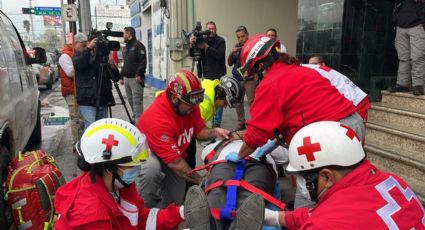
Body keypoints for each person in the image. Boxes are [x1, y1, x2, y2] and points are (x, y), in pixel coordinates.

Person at [262, 121, 425, 229]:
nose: (301, 184)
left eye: (304, 177)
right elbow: (326, 213)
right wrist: (274, 217)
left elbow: (329, 219)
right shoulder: (393, 182)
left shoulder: (325, 225)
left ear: (327, 177)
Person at [228, 34, 364, 161]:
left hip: (331, 136)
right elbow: (296, 115)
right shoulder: (302, 70)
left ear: (261, 65)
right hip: (353, 125)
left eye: (255, 71)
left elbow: (258, 131)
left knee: (311, 181)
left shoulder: (269, 85)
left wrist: (240, 156)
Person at [54, 118, 184, 229]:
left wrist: (180, 213)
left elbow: (142, 219)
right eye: (131, 166)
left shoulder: (118, 187)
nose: (137, 169)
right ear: (108, 169)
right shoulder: (92, 216)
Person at [136, 70, 230, 208]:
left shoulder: (190, 104)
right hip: (150, 154)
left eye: (198, 99)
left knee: (176, 200)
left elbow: (199, 132)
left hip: (172, 154)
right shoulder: (158, 120)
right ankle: (145, 211)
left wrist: (215, 132)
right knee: (151, 170)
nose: (195, 107)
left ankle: (166, 215)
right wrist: (203, 181)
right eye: (192, 103)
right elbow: (177, 163)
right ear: (175, 99)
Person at [305, 55, 370, 123]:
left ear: (323, 64)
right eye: (310, 65)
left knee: (356, 131)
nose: (312, 67)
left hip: (358, 103)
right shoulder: (324, 73)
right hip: (349, 103)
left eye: (314, 64)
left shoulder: (323, 73)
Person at [73, 35, 114, 130]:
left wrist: (112, 67)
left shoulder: (102, 58)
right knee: (91, 129)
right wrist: (88, 49)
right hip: (87, 100)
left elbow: (114, 77)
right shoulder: (80, 54)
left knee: (103, 129)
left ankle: (100, 146)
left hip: (103, 99)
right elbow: (79, 64)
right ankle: (86, 145)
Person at [189, 21, 226, 128]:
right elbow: (193, 55)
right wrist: (192, 45)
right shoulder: (202, 40)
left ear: (216, 29)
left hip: (217, 74)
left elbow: (219, 55)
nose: (211, 31)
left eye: (213, 29)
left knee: (218, 97)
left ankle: (217, 122)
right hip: (205, 74)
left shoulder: (220, 41)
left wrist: (206, 47)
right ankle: (208, 118)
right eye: (209, 29)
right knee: (207, 97)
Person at [389, 0, 425, 96]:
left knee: (417, 57)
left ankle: (418, 85)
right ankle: (402, 84)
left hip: (417, 25)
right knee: (403, 58)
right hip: (401, 26)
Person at [58, 33, 85, 146]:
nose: (83, 48)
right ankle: (76, 143)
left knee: (80, 118)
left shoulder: (75, 54)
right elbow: (70, 73)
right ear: (75, 43)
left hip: (77, 90)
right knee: (76, 119)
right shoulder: (65, 56)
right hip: (70, 91)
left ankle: (81, 141)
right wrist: (81, 67)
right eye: (82, 46)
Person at [227, 26, 254, 131]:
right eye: (238, 37)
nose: (241, 39)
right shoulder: (236, 47)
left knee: (252, 102)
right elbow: (229, 63)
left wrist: (256, 75)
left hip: (250, 78)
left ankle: (254, 123)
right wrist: (231, 53)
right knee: (238, 101)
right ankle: (241, 122)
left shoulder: (253, 46)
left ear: (247, 35)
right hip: (238, 78)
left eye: (243, 36)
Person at [119, 26, 147, 123]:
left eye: (125, 33)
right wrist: (121, 76)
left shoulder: (139, 45)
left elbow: (143, 61)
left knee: (137, 100)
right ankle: (135, 116)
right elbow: (124, 63)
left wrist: (139, 74)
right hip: (126, 79)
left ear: (129, 35)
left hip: (135, 79)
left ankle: (139, 121)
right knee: (130, 100)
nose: (123, 35)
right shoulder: (126, 47)